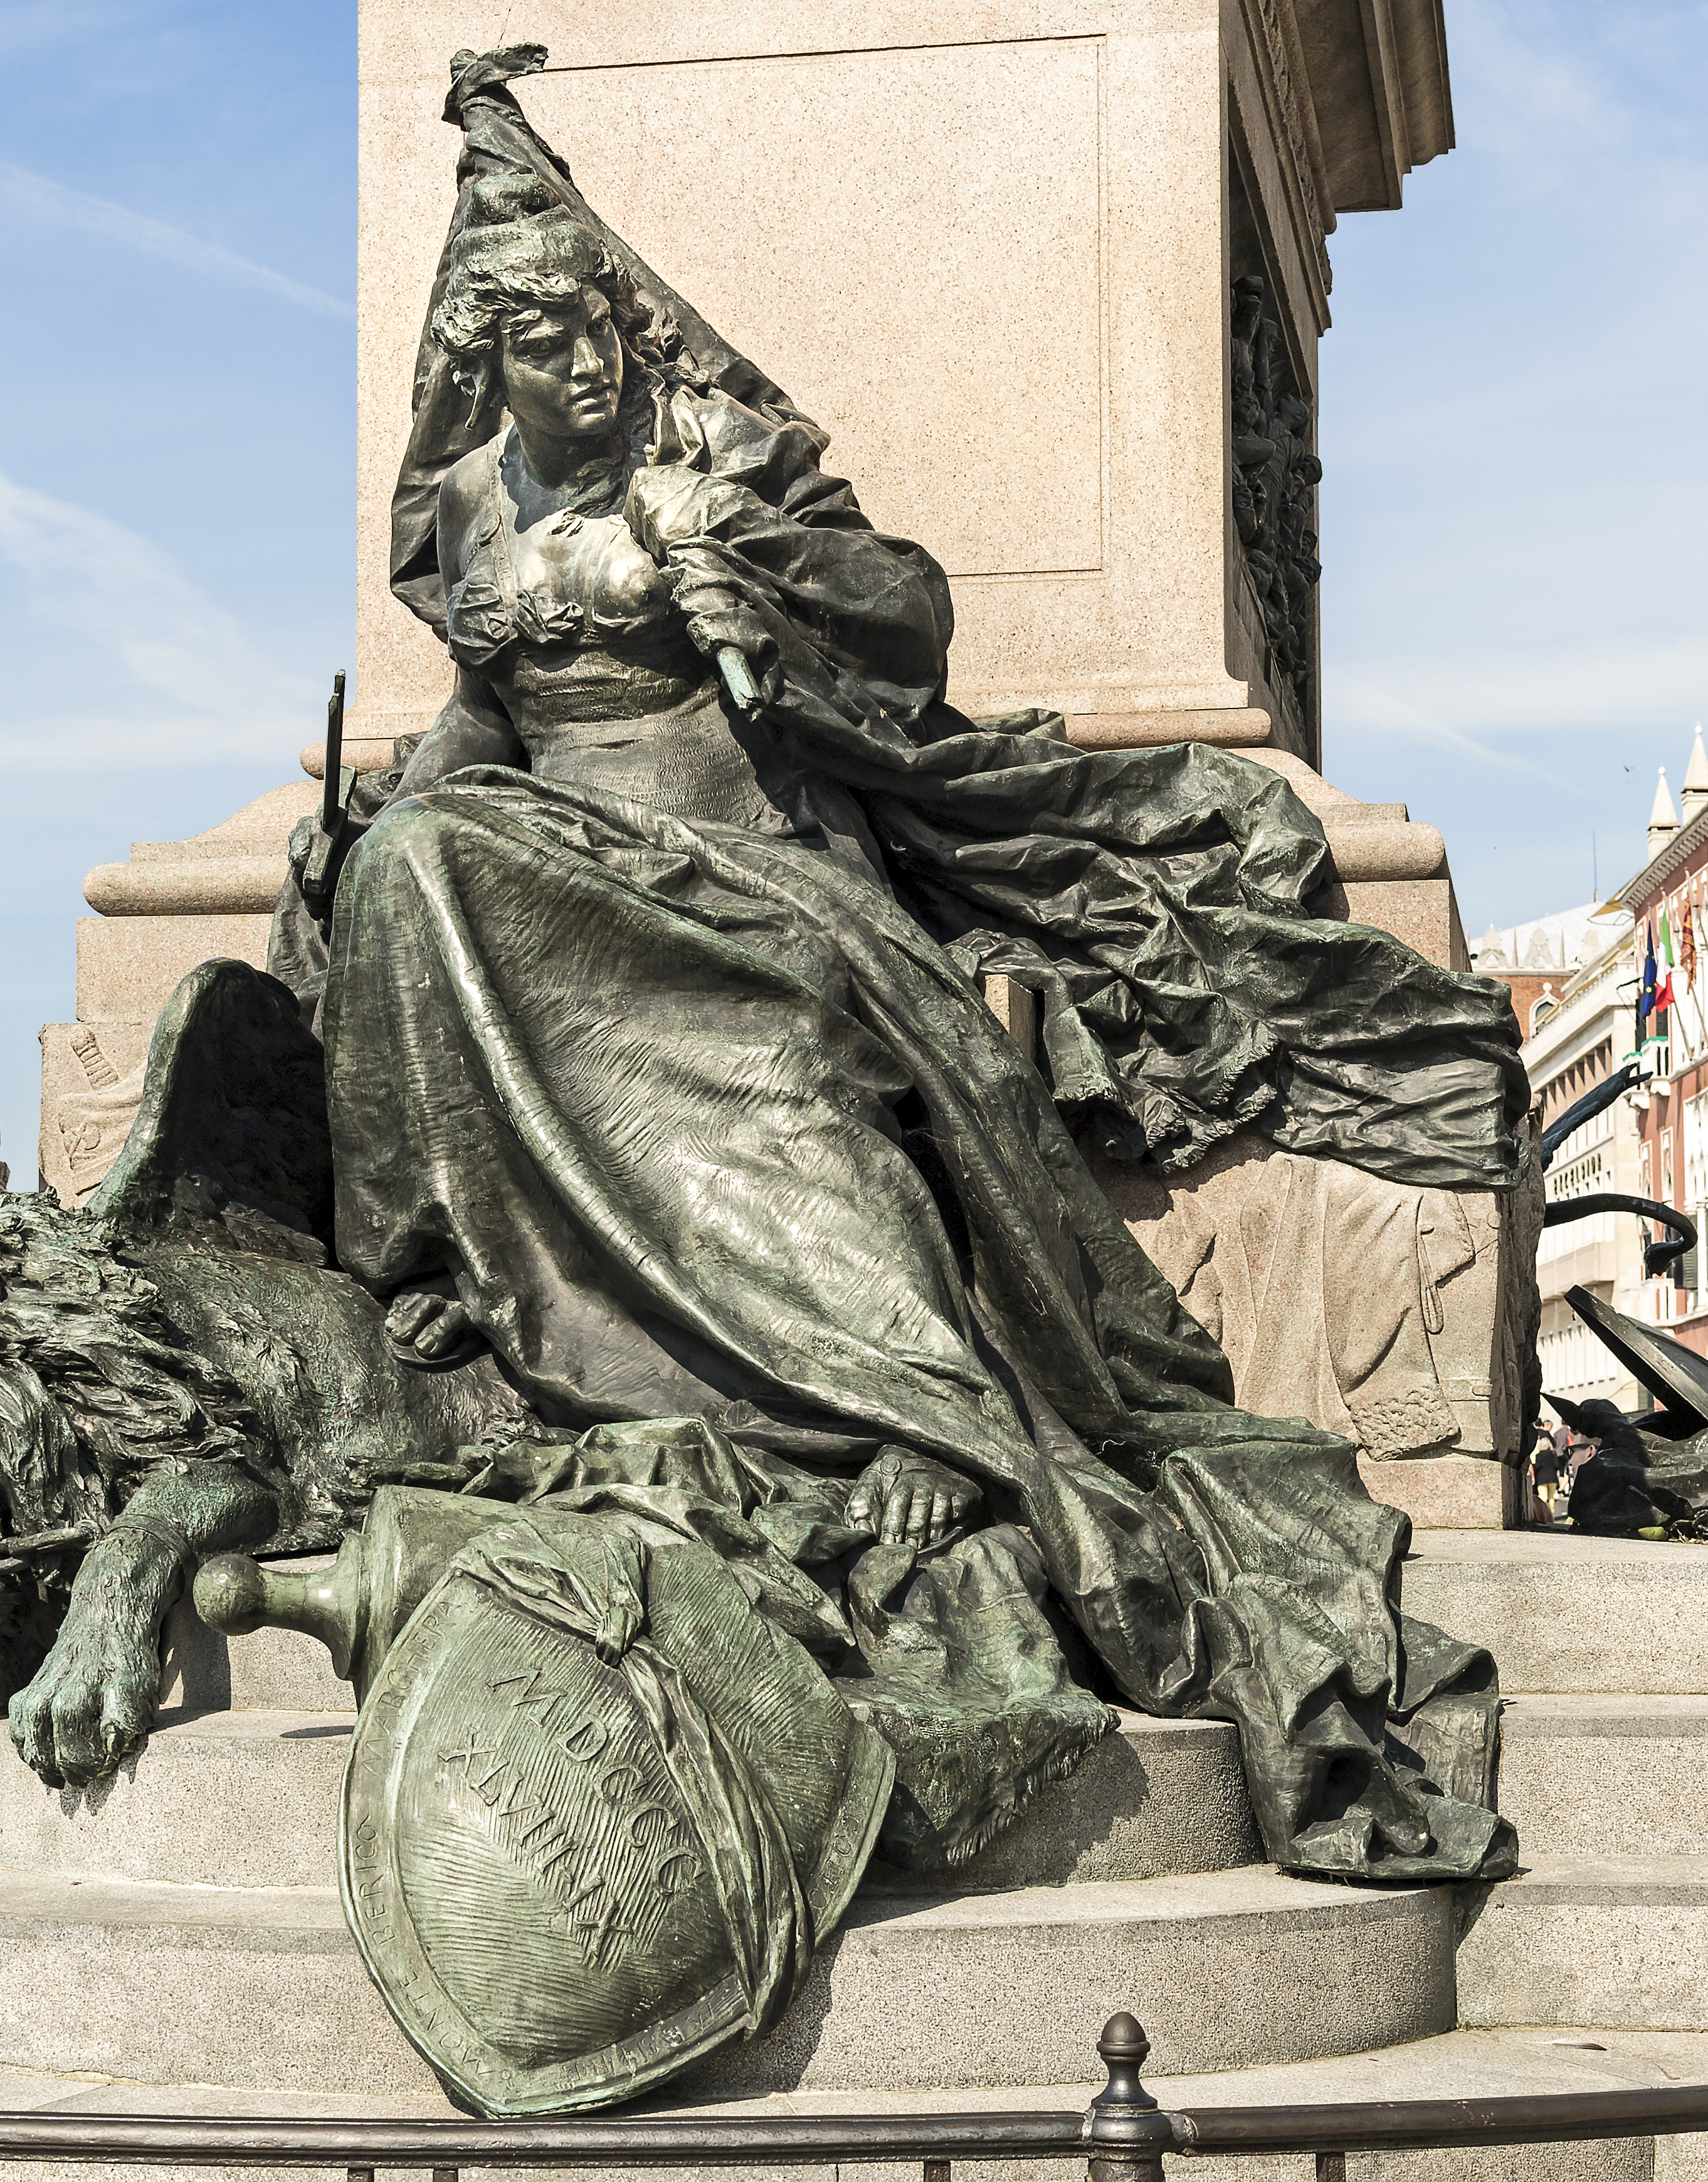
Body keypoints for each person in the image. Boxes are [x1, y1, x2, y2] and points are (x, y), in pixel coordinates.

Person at [278, 46, 1529, 1884]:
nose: (590, 361)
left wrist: (765, 626)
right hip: (549, 854)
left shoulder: (707, 484)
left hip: (749, 866)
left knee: (498, 886)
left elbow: (905, 615)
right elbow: (481, 720)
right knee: (412, 862)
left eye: (603, 331)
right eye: (545, 343)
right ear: (485, 363)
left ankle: (869, 1384)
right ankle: (446, 1293)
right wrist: (361, 823)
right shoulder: (473, 520)